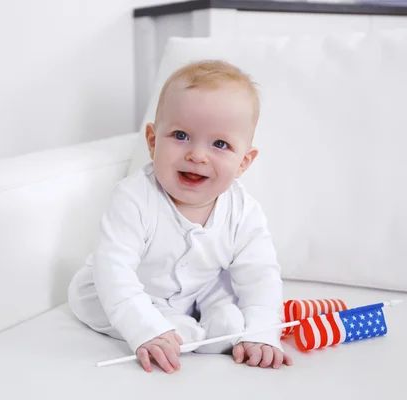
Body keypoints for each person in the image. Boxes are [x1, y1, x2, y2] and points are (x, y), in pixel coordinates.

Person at [68, 60, 293, 373]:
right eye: (181, 135)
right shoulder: (134, 198)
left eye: (220, 144)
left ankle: (221, 324)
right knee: (93, 299)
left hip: (198, 292)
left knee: (227, 298)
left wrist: (263, 332)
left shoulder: (244, 211)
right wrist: (145, 328)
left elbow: (260, 276)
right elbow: (114, 270)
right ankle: (172, 327)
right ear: (152, 141)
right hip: (123, 287)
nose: (197, 155)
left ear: (243, 162)